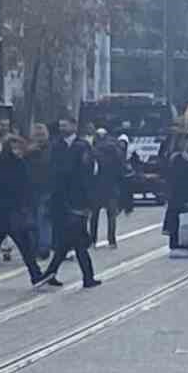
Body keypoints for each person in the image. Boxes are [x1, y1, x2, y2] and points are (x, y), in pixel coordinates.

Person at [0, 135, 48, 290]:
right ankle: (36, 276)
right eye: (17, 148)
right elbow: (24, 188)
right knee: (24, 245)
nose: (20, 151)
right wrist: (26, 205)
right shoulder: (16, 164)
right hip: (11, 212)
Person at [47, 117, 101, 289]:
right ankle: (86, 277)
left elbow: (88, 173)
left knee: (73, 241)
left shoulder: (82, 146)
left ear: (74, 126)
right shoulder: (56, 146)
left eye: (66, 125)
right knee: (72, 241)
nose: (62, 128)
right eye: (61, 125)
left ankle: (52, 273)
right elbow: (52, 171)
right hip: (60, 200)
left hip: (77, 201)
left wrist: (87, 202)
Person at [164, 128, 188, 257]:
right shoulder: (177, 157)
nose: (186, 143)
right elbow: (178, 179)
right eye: (184, 141)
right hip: (180, 195)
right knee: (180, 221)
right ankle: (177, 245)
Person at [89, 128, 126, 248]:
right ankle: (112, 241)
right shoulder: (115, 149)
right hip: (111, 185)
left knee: (94, 215)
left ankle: (92, 240)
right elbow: (121, 168)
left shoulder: (94, 150)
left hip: (96, 186)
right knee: (111, 215)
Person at [26, 122, 55, 259]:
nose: (39, 137)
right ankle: (34, 247)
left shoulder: (53, 149)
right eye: (37, 135)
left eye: (42, 134)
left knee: (43, 219)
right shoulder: (27, 150)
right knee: (31, 221)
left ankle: (44, 248)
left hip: (47, 189)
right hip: (30, 190)